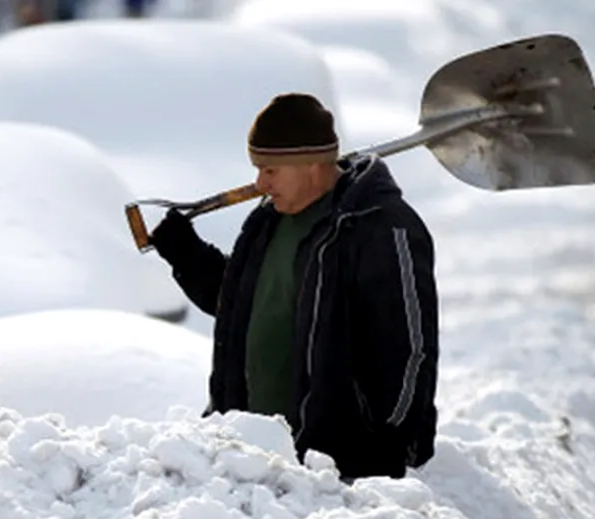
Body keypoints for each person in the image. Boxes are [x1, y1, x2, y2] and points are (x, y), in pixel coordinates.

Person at [147, 92, 439, 481]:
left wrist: (382, 445)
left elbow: (410, 350)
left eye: (270, 170)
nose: (259, 184)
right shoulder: (267, 222)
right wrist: (186, 254)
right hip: (251, 460)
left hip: (338, 467)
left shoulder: (379, 227)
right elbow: (243, 306)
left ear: (313, 165)